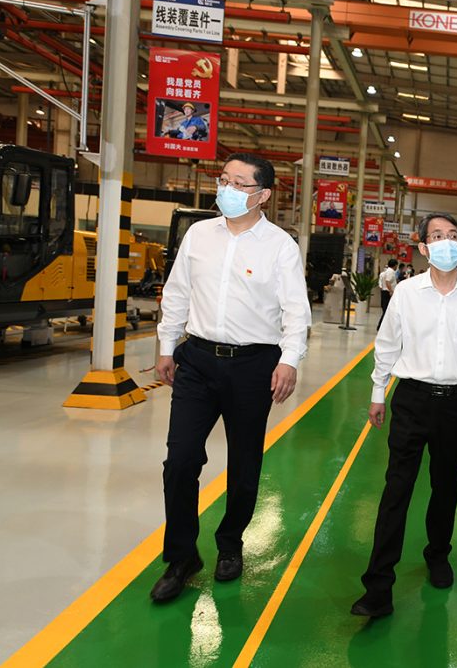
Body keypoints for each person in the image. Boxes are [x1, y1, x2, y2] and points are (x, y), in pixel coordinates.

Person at [151, 153, 312, 603]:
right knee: (180, 461)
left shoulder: (280, 246)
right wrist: (166, 346)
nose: (226, 188)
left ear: (263, 195)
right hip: (197, 361)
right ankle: (181, 557)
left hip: (253, 366)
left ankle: (230, 543)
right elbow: (177, 292)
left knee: (244, 465)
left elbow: (296, 311)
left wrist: (289, 360)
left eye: (239, 183)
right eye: (224, 179)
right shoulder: (199, 235)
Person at [353, 213, 457, 618]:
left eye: (453, 235)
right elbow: (387, 344)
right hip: (411, 400)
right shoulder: (407, 292)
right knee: (396, 488)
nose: (447, 242)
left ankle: (438, 553)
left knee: (445, 485)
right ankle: (378, 586)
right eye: (437, 236)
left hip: (456, 403)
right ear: (423, 247)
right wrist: (378, 393)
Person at [378, 258, 398, 329]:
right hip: (387, 293)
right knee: (386, 311)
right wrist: (391, 291)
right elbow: (387, 282)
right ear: (395, 265)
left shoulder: (387, 271)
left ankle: (381, 327)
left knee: (386, 311)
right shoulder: (390, 271)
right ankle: (380, 326)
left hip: (385, 292)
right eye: (396, 265)